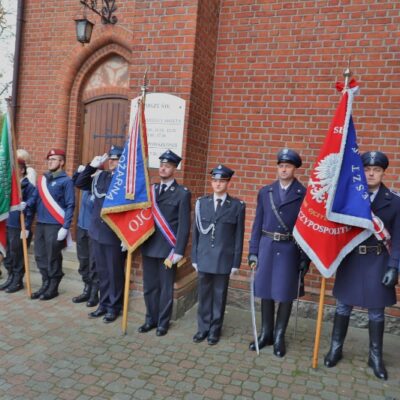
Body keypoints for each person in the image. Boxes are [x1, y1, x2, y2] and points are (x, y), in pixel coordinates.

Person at [324, 151, 400, 380]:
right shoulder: (349, 198)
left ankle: (375, 356)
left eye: (376, 170)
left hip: (378, 260)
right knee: (342, 307)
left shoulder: (394, 201)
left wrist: (393, 266)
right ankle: (336, 348)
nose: (371, 174)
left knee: (376, 311)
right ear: (362, 171)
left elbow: (398, 237)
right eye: (367, 170)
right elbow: (335, 228)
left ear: (383, 172)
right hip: (351, 259)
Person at [248, 148, 309, 357]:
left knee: (285, 293)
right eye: (281, 166)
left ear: (294, 169)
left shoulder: (303, 194)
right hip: (267, 246)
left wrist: (304, 258)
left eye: (288, 166)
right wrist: (253, 251)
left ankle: (279, 335)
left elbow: (307, 229)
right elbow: (257, 224)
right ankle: (266, 333)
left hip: (289, 249)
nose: (284, 170)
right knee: (265, 291)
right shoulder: (266, 192)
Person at [138, 149, 191, 336]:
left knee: (165, 288)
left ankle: (162, 322)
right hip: (149, 245)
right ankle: (150, 319)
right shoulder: (151, 190)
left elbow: (184, 225)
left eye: (167, 166)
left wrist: (179, 250)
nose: (163, 169)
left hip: (168, 250)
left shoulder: (182, 193)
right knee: (149, 287)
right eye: (161, 165)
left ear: (174, 169)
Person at [191, 165, 245, 345]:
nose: (218, 184)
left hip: (224, 258)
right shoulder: (202, 203)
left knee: (219, 295)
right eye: (215, 181)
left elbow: (239, 236)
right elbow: (196, 233)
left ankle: (214, 330)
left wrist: (236, 262)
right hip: (204, 256)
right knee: (204, 294)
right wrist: (194, 258)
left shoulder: (237, 206)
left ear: (228, 182)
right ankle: (202, 328)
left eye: (222, 181)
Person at [75, 145, 126, 323]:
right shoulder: (101, 176)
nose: (112, 162)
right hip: (97, 232)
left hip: (114, 234)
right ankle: (103, 304)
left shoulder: (126, 181)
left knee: (114, 273)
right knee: (102, 271)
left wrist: (126, 236)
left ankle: (114, 306)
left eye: (116, 159)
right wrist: (92, 166)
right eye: (110, 159)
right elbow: (80, 183)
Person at [32, 149, 75, 300]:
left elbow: (70, 204)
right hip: (41, 223)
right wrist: (24, 205)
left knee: (53, 256)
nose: (50, 161)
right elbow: (34, 199)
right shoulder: (43, 179)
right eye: (49, 159)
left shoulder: (66, 181)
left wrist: (65, 226)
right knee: (39, 255)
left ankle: (53, 286)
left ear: (62, 162)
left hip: (55, 225)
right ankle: (45, 282)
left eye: (54, 159)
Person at [0, 159, 37, 293]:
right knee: (9, 253)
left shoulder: (29, 187)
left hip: (19, 226)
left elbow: (31, 209)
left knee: (18, 255)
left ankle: (17, 281)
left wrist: (26, 227)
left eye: (16, 169)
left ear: (22, 170)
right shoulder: (9, 187)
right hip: (9, 223)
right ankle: (10, 277)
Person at [71, 165, 98, 307]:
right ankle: (86, 288)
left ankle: (94, 293)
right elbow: (75, 181)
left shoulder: (99, 188)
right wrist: (79, 171)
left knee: (94, 263)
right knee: (83, 261)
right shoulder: (85, 186)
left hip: (94, 231)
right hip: (82, 228)